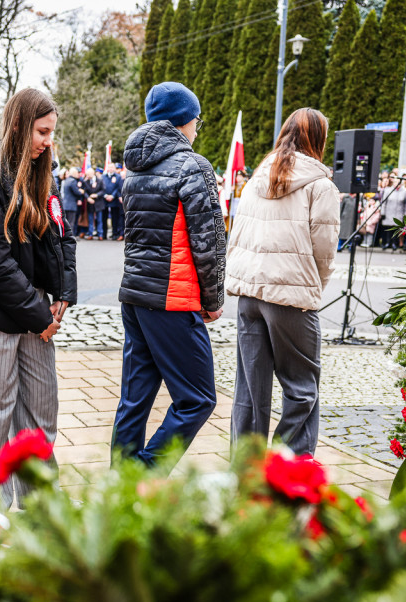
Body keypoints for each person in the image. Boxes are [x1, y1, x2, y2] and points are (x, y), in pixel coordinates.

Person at [0, 88, 76, 508]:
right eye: (42, 132)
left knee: (41, 411)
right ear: (19, 126)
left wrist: (64, 290)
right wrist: (39, 311)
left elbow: (62, 235)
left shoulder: (41, 175)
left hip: (34, 312)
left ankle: (40, 503)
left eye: (51, 133)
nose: (48, 141)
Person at [112, 81, 226, 468]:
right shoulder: (193, 165)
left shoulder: (135, 169)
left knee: (135, 396)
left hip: (136, 295)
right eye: (197, 120)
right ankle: (144, 475)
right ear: (184, 120)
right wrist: (213, 301)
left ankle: (121, 485)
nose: (198, 127)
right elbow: (209, 243)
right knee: (198, 398)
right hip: (173, 298)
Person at [225, 108, 339, 456]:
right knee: (302, 387)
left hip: (249, 295)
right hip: (290, 297)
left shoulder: (259, 176)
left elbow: (238, 235)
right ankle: (289, 465)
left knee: (250, 390)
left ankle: (246, 468)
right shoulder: (321, 186)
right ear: (318, 140)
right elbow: (324, 250)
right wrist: (312, 287)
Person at [102, 162, 124, 240]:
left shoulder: (118, 177)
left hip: (114, 200)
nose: (111, 169)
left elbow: (118, 188)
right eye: (109, 167)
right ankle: (103, 234)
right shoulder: (103, 176)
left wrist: (112, 196)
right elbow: (101, 187)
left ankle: (115, 233)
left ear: (114, 168)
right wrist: (105, 195)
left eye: (112, 167)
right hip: (104, 200)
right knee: (104, 217)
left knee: (115, 218)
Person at [61, 166, 84, 238]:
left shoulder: (67, 180)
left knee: (66, 222)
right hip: (71, 205)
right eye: (77, 172)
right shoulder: (73, 181)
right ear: (74, 173)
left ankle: (65, 237)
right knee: (71, 222)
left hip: (65, 204)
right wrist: (81, 191)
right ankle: (70, 237)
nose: (78, 174)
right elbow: (77, 192)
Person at [83, 167, 103, 239]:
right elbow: (84, 191)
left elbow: (103, 190)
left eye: (88, 175)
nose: (87, 176)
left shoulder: (100, 180)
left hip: (99, 203)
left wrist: (96, 195)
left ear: (92, 173)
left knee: (99, 219)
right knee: (90, 219)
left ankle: (100, 234)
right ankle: (90, 234)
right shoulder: (86, 181)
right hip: (90, 203)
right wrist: (88, 198)